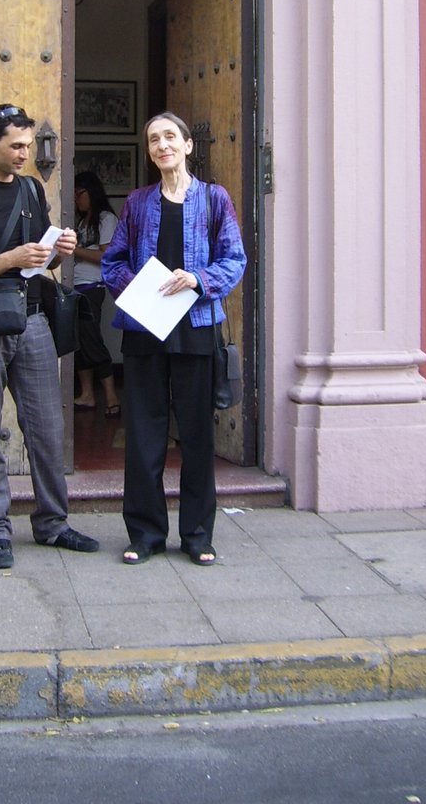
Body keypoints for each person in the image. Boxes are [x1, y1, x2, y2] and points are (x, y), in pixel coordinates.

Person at [0, 103, 99, 569]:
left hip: (32, 319)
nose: (25, 154)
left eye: (28, 145)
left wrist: (60, 252)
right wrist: (8, 258)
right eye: (16, 146)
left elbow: (38, 262)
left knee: (47, 427)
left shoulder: (31, 188)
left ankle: (53, 524)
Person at [101, 112, 246, 567]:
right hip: (145, 330)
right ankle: (145, 534)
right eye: (153, 140)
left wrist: (198, 279)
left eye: (169, 137)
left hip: (196, 329)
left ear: (187, 145)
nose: (161, 145)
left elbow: (235, 259)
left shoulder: (214, 199)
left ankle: (198, 535)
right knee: (144, 436)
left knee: (198, 437)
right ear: (149, 152)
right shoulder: (138, 202)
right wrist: (139, 288)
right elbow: (112, 262)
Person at [72, 170, 122, 417]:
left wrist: (74, 250)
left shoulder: (105, 219)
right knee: (78, 343)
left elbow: (106, 256)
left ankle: (112, 398)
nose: (76, 198)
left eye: (79, 193)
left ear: (91, 192)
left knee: (92, 341)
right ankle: (87, 395)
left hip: (92, 288)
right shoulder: (83, 221)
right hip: (76, 288)